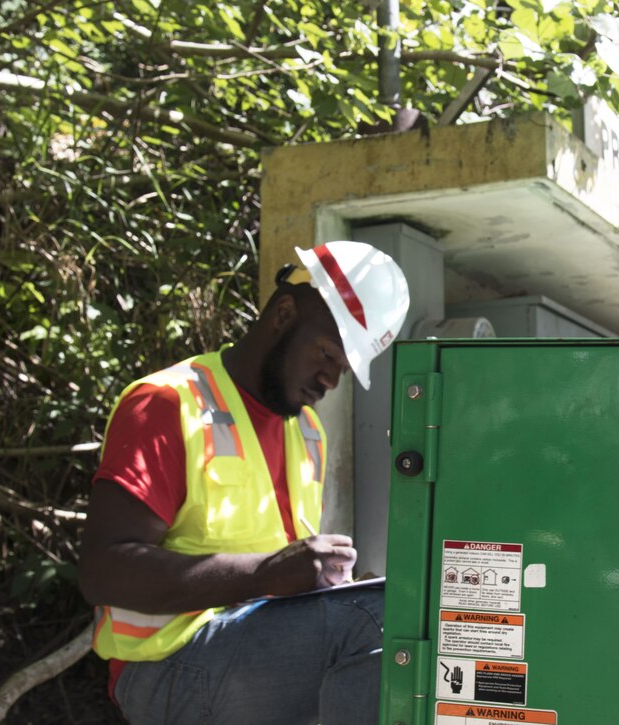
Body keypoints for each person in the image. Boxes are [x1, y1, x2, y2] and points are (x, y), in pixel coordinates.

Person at [79, 241, 410, 724]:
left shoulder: (308, 433)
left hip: (248, 651)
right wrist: (266, 574)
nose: (330, 380)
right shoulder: (168, 404)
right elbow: (101, 571)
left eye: (342, 367)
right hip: (164, 669)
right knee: (374, 620)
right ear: (283, 313)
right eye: (326, 354)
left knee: (408, 612)